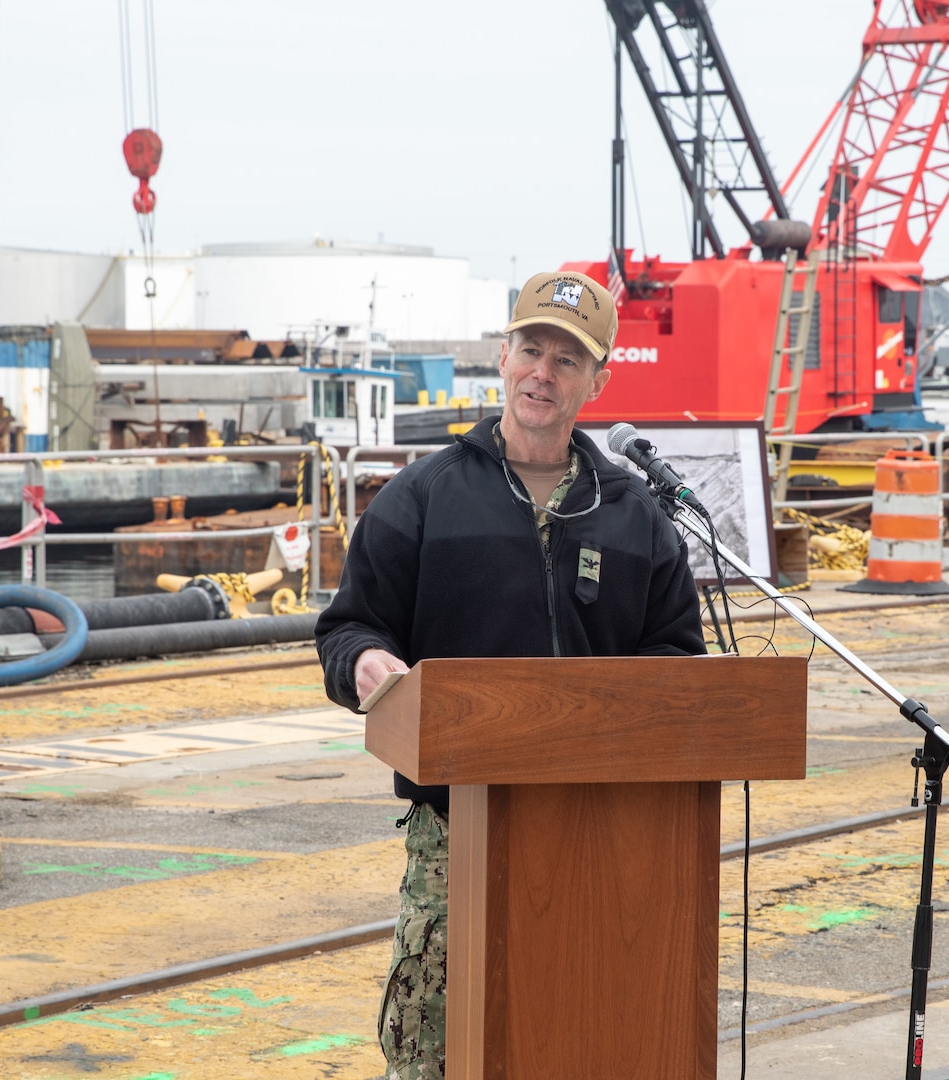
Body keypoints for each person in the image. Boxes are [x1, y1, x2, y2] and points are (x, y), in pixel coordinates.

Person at [315, 270, 706, 1080]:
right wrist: (364, 661)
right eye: (532, 350)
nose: (543, 374)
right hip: (457, 834)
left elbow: (677, 662)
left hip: (603, 835)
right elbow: (347, 626)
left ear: (600, 379)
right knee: (434, 1048)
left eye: (568, 361)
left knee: (582, 1037)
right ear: (502, 356)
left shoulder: (637, 516)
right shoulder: (423, 498)